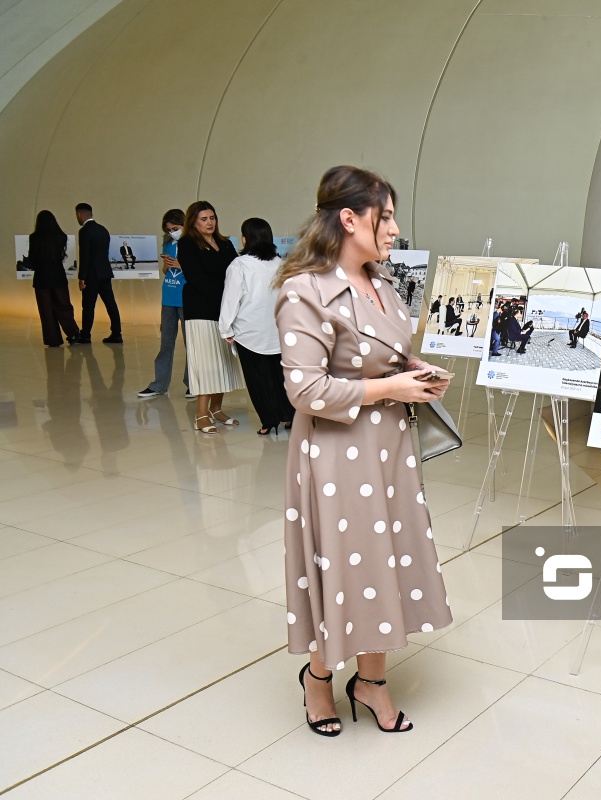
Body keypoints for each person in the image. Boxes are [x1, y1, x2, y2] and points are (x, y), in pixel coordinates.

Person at [274, 165, 452, 737]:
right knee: (341, 562)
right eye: (387, 217)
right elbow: (304, 390)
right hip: (335, 451)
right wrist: (389, 387)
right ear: (349, 219)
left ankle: (372, 680)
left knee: (386, 560)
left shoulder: (383, 283)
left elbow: (385, 356)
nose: (395, 229)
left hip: (389, 447)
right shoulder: (305, 290)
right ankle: (319, 677)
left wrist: (414, 373)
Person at [220, 218, 294, 435]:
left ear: (245, 239)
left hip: (250, 333)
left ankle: (268, 421)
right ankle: (290, 416)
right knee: (282, 377)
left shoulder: (239, 265)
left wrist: (225, 329)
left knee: (258, 380)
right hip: (279, 331)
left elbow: (231, 300)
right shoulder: (281, 264)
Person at [177, 201, 244, 433]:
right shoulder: (187, 243)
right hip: (201, 310)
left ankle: (216, 409)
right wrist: (225, 301)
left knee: (223, 362)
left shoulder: (225, 243)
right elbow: (195, 277)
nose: (209, 223)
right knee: (206, 363)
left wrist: (233, 305)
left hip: (225, 312)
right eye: (204, 219)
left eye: (212, 218)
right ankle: (201, 414)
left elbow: (237, 273)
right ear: (193, 222)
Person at [138, 209, 191, 398]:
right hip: (168, 296)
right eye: (168, 229)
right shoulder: (168, 243)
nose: (171, 232)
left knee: (191, 344)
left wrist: (181, 265)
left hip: (186, 298)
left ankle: (192, 383)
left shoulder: (193, 243)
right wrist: (167, 266)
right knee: (165, 343)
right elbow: (165, 271)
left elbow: (199, 271)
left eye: (175, 228)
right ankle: (159, 384)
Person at [27, 210, 81, 347]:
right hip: (58, 275)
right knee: (64, 306)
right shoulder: (61, 236)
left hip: (42, 277)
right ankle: (73, 333)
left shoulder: (34, 237)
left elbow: (32, 259)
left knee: (46, 310)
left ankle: (53, 339)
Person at [75, 202, 121, 344]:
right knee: (110, 303)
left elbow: (85, 255)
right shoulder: (103, 230)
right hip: (105, 272)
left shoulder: (84, 231)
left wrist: (81, 277)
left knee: (88, 306)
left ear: (79, 214)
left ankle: (85, 334)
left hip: (91, 274)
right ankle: (117, 333)